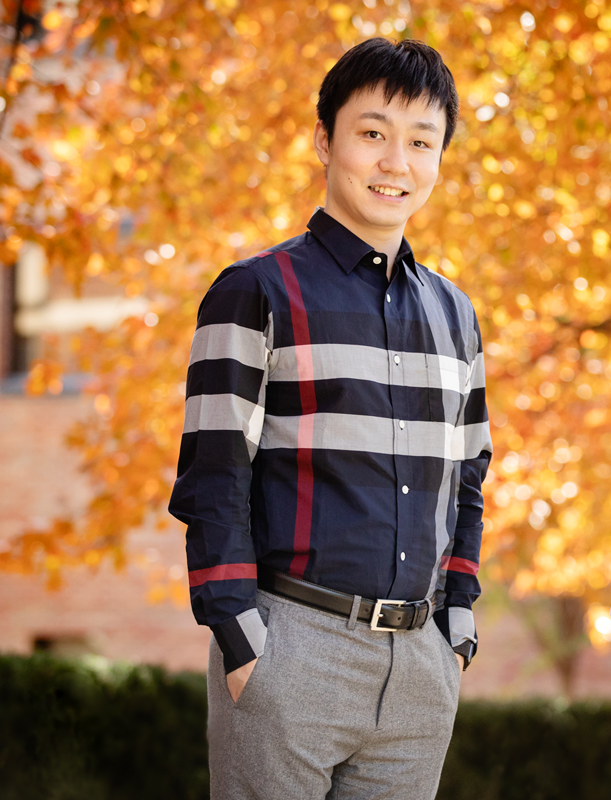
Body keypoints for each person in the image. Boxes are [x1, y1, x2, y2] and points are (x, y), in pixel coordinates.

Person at [169, 38, 490, 800]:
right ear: (326, 141)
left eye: (421, 142)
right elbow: (214, 478)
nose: (396, 163)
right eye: (373, 134)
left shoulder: (457, 314)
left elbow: (468, 480)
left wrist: (458, 630)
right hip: (291, 647)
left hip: (417, 667)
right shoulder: (254, 291)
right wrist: (243, 643)